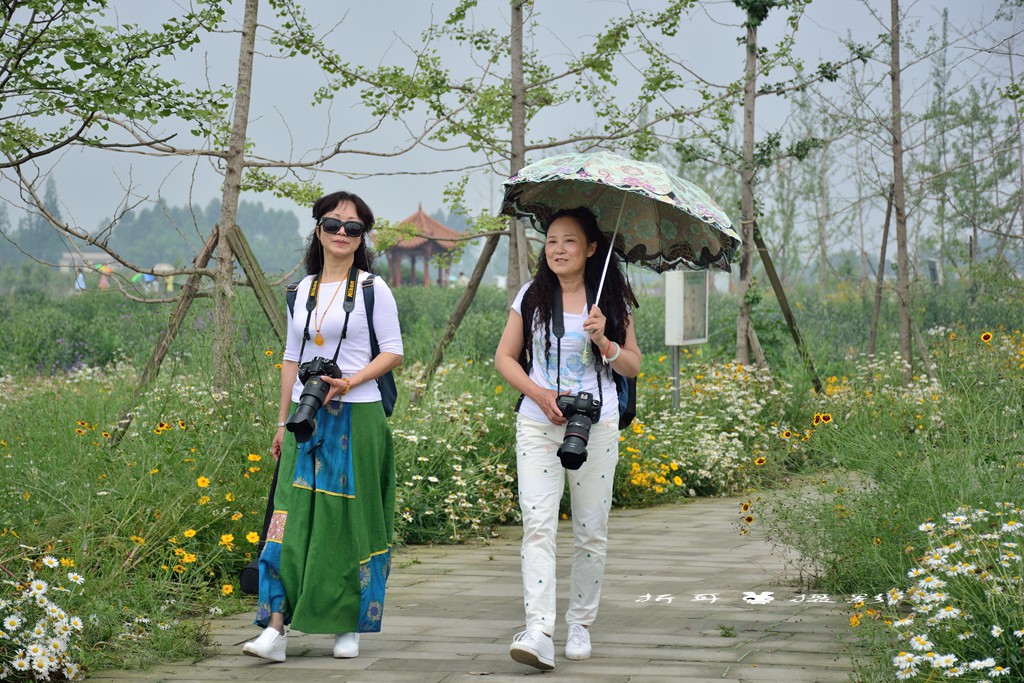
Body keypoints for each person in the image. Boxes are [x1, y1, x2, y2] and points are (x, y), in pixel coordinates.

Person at [242, 190, 403, 663]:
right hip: (304, 418)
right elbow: (290, 359)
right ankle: (275, 628)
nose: (341, 233)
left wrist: (348, 381)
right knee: (286, 517)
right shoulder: (301, 290)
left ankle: (346, 622)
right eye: (332, 224)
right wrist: (281, 421)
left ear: (362, 237)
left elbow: (393, 352)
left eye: (353, 227)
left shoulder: (373, 289)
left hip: (357, 414)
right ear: (318, 230)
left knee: (347, 521)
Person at [494, 206, 641, 670]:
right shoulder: (531, 296)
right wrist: (538, 394)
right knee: (538, 524)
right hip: (539, 423)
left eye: (569, 241)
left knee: (590, 531)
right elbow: (504, 357)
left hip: (597, 425)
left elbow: (633, 364)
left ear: (592, 248)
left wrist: (605, 342)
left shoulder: (611, 299)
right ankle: (538, 630)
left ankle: (580, 622)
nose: (557, 249)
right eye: (551, 240)